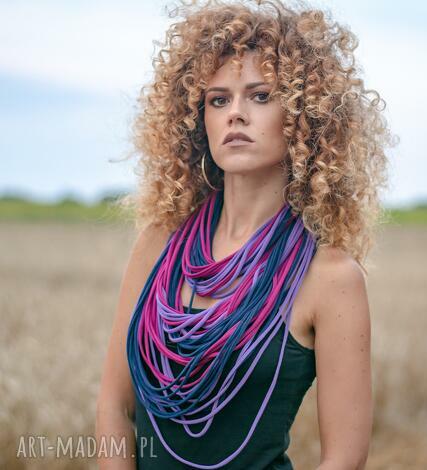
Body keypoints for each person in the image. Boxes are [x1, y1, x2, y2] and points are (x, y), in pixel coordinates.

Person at [95, 0, 394, 468]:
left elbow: (345, 459)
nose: (235, 113)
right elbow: (115, 406)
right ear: (199, 119)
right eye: (218, 100)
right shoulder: (158, 243)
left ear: (302, 116)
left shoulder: (331, 277)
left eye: (260, 96)